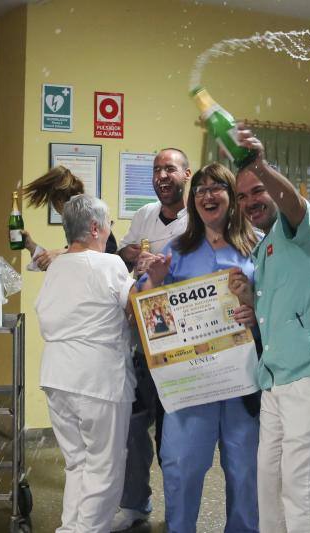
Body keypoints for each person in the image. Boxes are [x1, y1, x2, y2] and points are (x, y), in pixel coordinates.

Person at [229, 125, 310, 533]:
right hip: (277, 374)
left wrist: (260, 165)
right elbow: (282, 304)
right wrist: (250, 298)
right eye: (243, 196)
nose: (251, 202)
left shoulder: (300, 226)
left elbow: (293, 201)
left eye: (257, 191)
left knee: (302, 484)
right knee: (269, 480)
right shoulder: (265, 245)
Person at [141, 163, 260, 533]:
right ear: (193, 201)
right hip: (192, 382)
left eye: (217, 188)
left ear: (232, 196)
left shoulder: (258, 246)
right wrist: (155, 283)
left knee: (244, 468)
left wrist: (253, 309)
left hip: (243, 377)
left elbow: (276, 302)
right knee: (183, 465)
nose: (207, 195)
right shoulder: (177, 251)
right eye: (200, 190)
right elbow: (148, 312)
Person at [35, 194, 136, 533]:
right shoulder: (109, 264)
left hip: (56, 377)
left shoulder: (57, 265)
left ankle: (70, 529)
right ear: (95, 227)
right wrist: (148, 275)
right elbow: (134, 310)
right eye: (108, 225)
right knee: (103, 467)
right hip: (98, 381)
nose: (110, 231)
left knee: (76, 463)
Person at [111, 148, 191, 531]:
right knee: (134, 424)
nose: (162, 175)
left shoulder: (200, 215)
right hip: (145, 334)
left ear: (186, 174)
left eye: (170, 169)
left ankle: (179, 513)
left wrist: (157, 258)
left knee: (175, 435)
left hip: (184, 337)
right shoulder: (145, 214)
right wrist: (139, 257)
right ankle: (135, 503)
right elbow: (126, 250)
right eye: (157, 169)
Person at [21, 166, 117, 271]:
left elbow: (106, 252)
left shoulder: (92, 216)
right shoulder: (74, 224)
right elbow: (56, 260)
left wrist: (62, 252)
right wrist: (31, 245)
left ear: (59, 201)